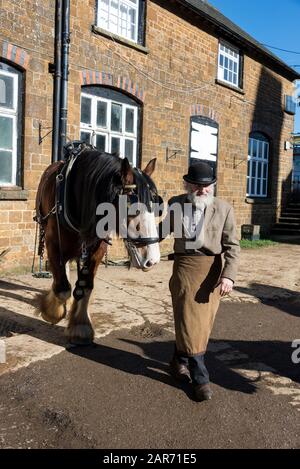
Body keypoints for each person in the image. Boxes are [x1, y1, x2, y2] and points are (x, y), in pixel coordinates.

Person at [159, 161, 240, 402]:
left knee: (199, 324)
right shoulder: (176, 203)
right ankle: (200, 379)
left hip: (211, 273)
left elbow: (233, 246)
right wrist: (142, 239)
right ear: (188, 185)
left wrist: (229, 275)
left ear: (212, 185)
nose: (202, 190)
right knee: (188, 319)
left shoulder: (224, 209)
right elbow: (162, 230)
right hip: (184, 268)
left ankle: (177, 361)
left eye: (207, 185)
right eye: (197, 185)